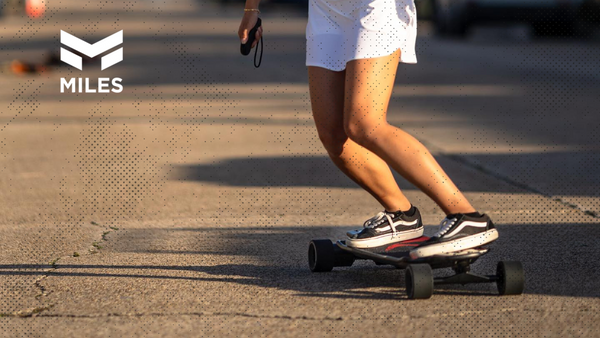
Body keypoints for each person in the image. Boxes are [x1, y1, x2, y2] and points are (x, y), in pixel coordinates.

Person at [238, 0, 498, 258]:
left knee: (364, 123)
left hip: (375, 7)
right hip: (325, 11)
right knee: (333, 135)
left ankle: (467, 217)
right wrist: (252, 9)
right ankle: (401, 215)